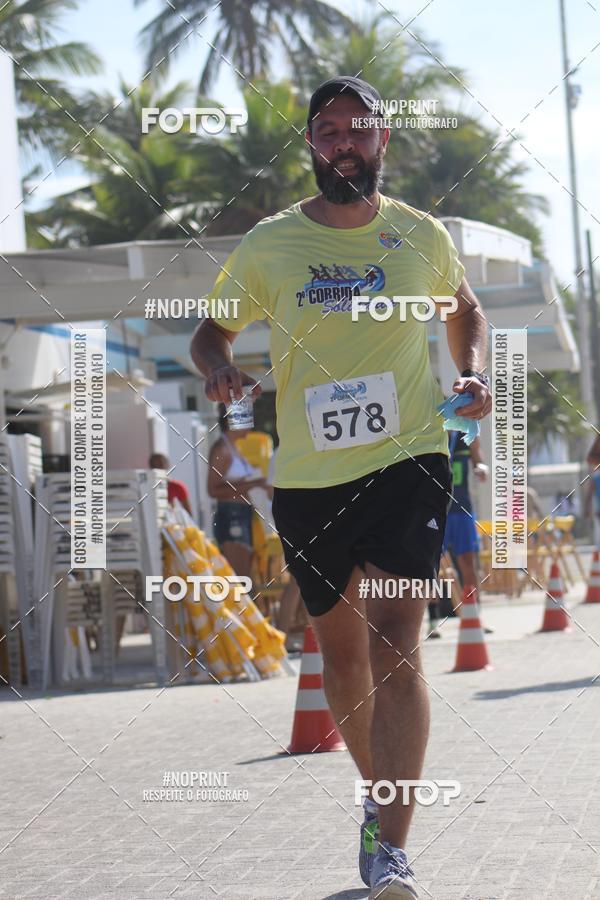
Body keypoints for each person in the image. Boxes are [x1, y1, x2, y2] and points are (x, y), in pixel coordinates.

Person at [190, 75, 492, 899]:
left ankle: (392, 846)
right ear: (313, 147)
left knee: (399, 642)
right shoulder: (270, 244)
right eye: (328, 132)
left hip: (411, 461)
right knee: (342, 657)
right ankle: (376, 794)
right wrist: (220, 371)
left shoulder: (419, 236)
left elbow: (463, 310)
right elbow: (208, 332)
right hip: (312, 478)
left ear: (383, 139)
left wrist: (470, 373)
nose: (344, 143)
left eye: (359, 129)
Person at [207, 406, 268, 578]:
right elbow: (212, 490)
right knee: (239, 582)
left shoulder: (232, 448)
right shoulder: (221, 450)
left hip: (240, 514)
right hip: (232, 515)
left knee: (244, 580)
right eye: (246, 418)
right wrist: (254, 483)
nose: (251, 424)